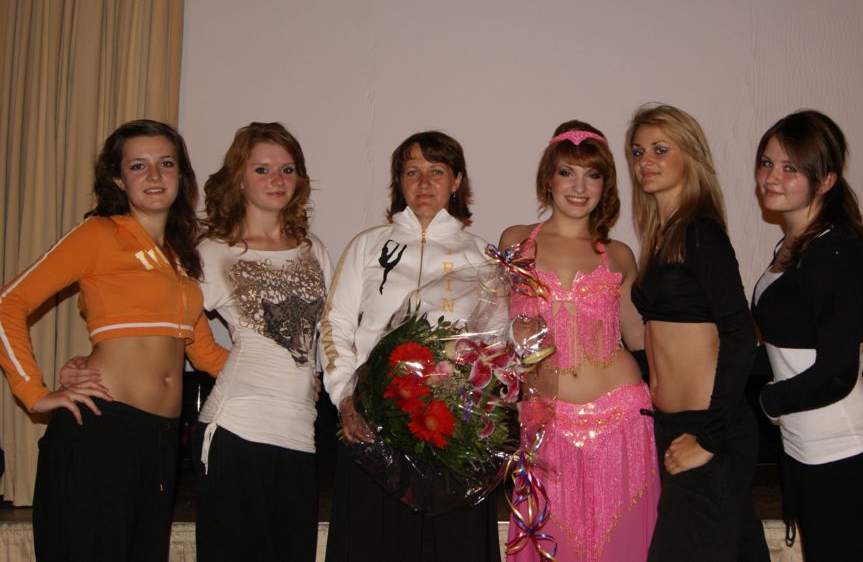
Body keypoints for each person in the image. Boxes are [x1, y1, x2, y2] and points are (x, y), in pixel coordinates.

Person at [0, 120, 228, 562]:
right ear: (118, 179)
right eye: (138, 166)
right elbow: (9, 303)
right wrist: (34, 392)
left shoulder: (182, 258)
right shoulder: (100, 234)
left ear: (181, 175)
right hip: (100, 431)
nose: (154, 175)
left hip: (160, 440)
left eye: (166, 163)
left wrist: (286, 377)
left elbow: (206, 354)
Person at [320, 131, 501, 562]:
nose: (424, 183)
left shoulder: (482, 255)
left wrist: (471, 406)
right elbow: (334, 325)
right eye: (412, 172)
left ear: (456, 181)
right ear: (399, 182)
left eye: (436, 171)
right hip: (372, 421)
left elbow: (494, 344)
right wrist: (346, 398)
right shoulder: (367, 246)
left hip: (451, 430)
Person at [499, 121, 659, 562]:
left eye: (593, 175)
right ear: (548, 178)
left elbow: (639, 336)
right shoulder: (516, 243)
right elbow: (493, 321)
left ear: (606, 185)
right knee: (555, 543)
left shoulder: (618, 254)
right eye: (567, 172)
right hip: (548, 423)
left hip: (622, 418)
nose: (579, 186)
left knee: (622, 545)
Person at [751, 110, 863, 561]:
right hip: (808, 452)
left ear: (827, 179)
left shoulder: (835, 253)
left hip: (848, 456)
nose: (772, 177)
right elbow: (787, 350)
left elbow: (835, 372)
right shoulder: (796, 244)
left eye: (790, 168)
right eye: (767, 162)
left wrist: (768, 401)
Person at [626, 103, 768, 561]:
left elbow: (741, 335)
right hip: (675, 427)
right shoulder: (661, 235)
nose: (645, 160)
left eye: (660, 149)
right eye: (638, 151)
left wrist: (709, 438)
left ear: (690, 155)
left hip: (708, 429)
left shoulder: (700, 232)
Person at [194, 123, 333, 561]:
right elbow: (175, 326)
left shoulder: (312, 248)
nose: (277, 179)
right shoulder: (213, 252)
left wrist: (316, 371)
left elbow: (329, 330)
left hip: (301, 431)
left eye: (287, 169)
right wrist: (221, 363)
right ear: (238, 178)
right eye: (262, 169)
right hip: (238, 427)